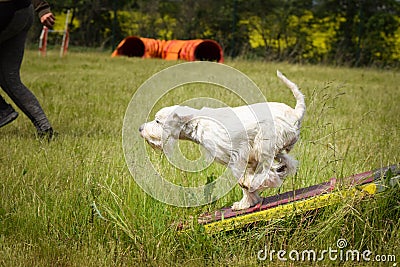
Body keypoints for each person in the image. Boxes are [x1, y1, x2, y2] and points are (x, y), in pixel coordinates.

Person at [0, 0, 56, 139]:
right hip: (24, 11)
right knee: (9, 77)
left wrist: (42, 8)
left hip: (6, 11)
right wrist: (42, 9)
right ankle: (44, 128)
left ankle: (2, 110)